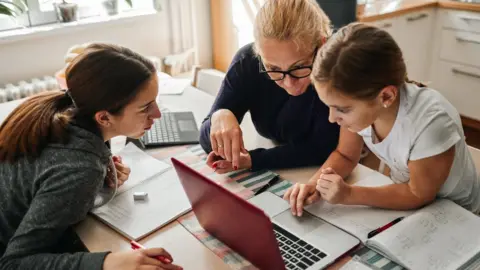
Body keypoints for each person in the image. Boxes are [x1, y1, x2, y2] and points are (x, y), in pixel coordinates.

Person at [0, 43, 182, 270]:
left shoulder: (66, 110)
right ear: (104, 118)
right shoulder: (79, 167)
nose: (157, 114)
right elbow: (13, 264)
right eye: (145, 107)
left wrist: (101, 167)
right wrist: (108, 262)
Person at [284, 23, 480, 216]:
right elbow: (345, 155)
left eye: (341, 109)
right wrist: (314, 185)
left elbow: (418, 193)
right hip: (408, 198)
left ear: (386, 96)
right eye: (329, 106)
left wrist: (349, 194)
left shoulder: (431, 123)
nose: (331, 118)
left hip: (458, 215)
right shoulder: (364, 109)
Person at [200, 0, 340, 173]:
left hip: (328, 169)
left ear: (321, 45)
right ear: (258, 53)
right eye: (273, 68)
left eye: (299, 67)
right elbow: (205, 139)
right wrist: (219, 116)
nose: (288, 83)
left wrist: (254, 160)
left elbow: (321, 147)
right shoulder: (247, 63)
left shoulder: (335, 70)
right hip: (291, 169)